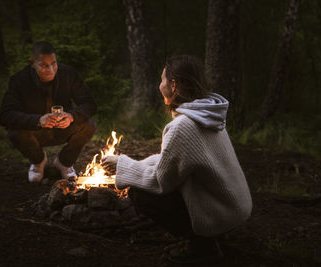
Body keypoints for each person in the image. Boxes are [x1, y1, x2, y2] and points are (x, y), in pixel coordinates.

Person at [102, 55, 252, 264]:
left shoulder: (182, 127)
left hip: (219, 214)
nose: (159, 85)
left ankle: (202, 245)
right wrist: (129, 163)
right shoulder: (208, 114)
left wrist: (122, 166)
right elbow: (172, 160)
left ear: (173, 85)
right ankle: (212, 237)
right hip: (235, 207)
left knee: (140, 193)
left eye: (162, 80)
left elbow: (161, 181)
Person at [0, 41, 97, 183]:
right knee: (14, 132)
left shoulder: (68, 74)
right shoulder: (19, 80)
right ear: (33, 63)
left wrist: (71, 116)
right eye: (44, 65)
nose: (51, 69)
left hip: (63, 128)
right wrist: (38, 120)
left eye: (54, 63)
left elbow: (90, 104)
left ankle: (64, 162)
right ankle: (38, 160)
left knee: (89, 124)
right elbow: (5, 115)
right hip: (35, 132)